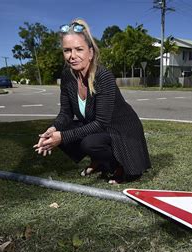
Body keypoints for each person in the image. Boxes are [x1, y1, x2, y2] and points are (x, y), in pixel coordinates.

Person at [33, 18, 151, 184]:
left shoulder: (103, 76)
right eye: (67, 50)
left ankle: (118, 167)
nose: (72, 56)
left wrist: (63, 136)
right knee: (60, 132)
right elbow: (65, 114)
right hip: (100, 127)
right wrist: (52, 129)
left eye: (79, 49)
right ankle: (100, 162)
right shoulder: (67, 76)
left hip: (122, 130)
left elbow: (101, 123)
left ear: (91, 52)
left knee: (89, 143)